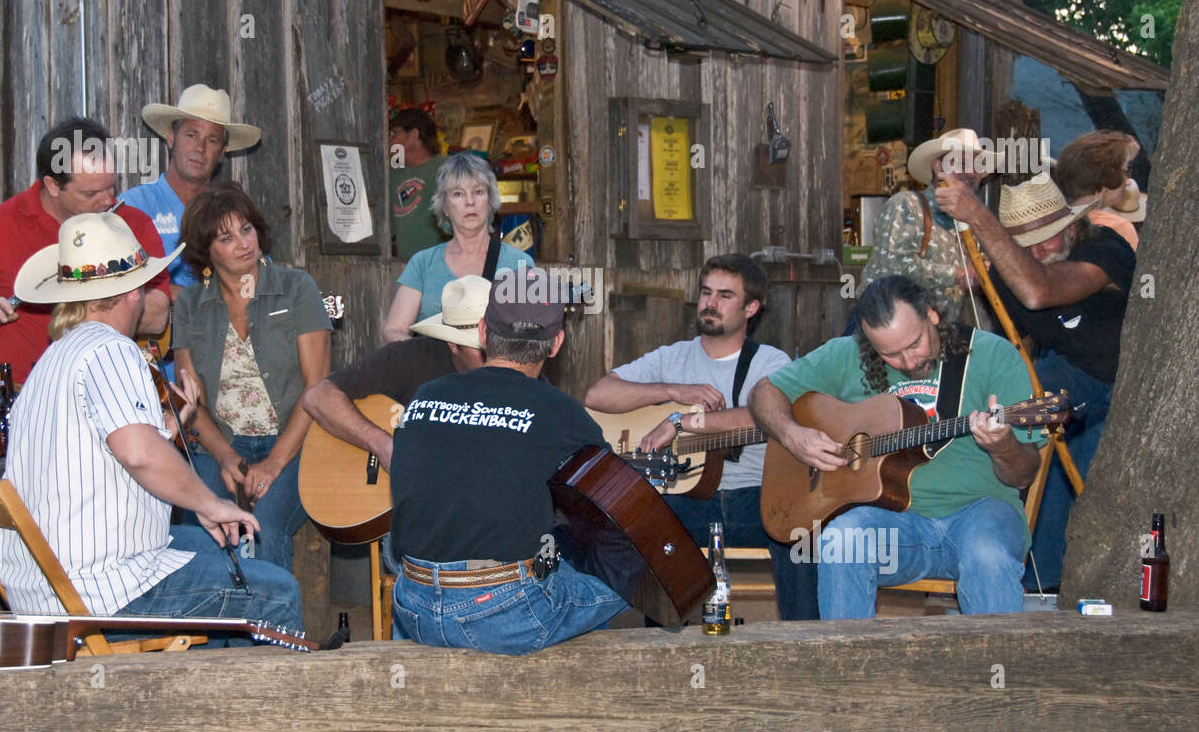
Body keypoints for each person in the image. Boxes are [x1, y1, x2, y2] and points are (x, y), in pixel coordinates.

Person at [0, 211, 302, 635]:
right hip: (100, 590)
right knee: (278, 592)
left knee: (223, 551)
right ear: (133, 293)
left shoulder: (55, 358)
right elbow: (139, 454)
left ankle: (202, 689)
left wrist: (176, 427)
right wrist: (209, 503)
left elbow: (117, 451)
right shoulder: (112, 350)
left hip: (43, 587)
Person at [750, 276, 1040, 618]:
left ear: (932, 314)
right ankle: (847, 667)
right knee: (843, 540)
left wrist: (1002, 446)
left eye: (915, 343)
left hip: (980, 514)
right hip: (895, 522)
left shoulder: (993, 356)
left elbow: (1023, 476)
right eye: (890, 354)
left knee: (987, 554)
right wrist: (792, 435)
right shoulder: (846, 355)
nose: (908, 361)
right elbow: (764, 393)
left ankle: (999, 669)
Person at [389, 270, 628, 654]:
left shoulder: (426, 394)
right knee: (625, 571)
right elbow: (614, 504)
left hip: (411, 602)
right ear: (556, 344)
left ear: (483, 332)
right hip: (500, 612)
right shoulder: (560, 411)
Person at [583, 253, 815, 620]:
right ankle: (661, 641)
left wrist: (681, 421)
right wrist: (676, 389)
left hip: (754, 498)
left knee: (801, 529)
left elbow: (767, 420)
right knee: (640, 519)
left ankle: (804, 642)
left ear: (751, 307)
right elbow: (598, 395)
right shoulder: (674, 357)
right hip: (687, 498)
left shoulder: (770, 363)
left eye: (725, 295)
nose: (710, 302)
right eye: (706, 292)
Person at [938, 170, 1135, 592]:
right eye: (1029, 242)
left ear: (1073, 225)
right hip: (1071, 376)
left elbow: (1038, 293)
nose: (1046, 248)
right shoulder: (1014, 274)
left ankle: (1054, 576)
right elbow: (1018, 342)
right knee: (1020, 428)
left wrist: (975, 213)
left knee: (1083, 470)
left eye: (1054, 234)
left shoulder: (1106, 249)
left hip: (1129, 380)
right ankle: (1033, 579)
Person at [0, 117, 171, 383]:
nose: (107, 201)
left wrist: (73, 301)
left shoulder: (133, 223)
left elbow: (158, 315)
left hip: (112, 386)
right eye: (90, 194)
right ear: (53, 186)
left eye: (111, 187)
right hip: (18, 393)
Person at [172, 182, 332, 573]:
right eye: (226, 237)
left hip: (295, 442)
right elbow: (191, 403)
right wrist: (227, 458)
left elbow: (317, 388)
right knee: (203, 529)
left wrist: (274, 463)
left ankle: (272, 633)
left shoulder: (297, 288)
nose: (244, 243)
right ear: (205, 250)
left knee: (264, 530)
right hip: (221, 443)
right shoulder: (191, 305)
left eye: (247, 229)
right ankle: (216, 634)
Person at [303, 274, 490, 478]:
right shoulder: (412, 357)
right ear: (453, 344)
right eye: (481, 347)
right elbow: (318, 397)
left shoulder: (520, 372)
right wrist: (383, 446)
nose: (494, 354)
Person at [123, 84, 262, 297]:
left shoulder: (234, 212)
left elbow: (261, 279)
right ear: (171, 137)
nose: (200, 147)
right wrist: (194, 298)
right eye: (191, 135)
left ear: (222, 152)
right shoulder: (133, 206)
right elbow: (114, 286)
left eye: (212, 140)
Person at [854, 128, 1000, 328]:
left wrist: (982, 271)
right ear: (938, 166)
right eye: (961, 162)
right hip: (882, 330)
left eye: (976, 165)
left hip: (935, 334)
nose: (970, 172)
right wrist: (958, 275)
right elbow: (895, 266)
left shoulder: (972, 222)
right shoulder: (908, 205)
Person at [382, 152, 533, 341]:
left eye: (478, 192)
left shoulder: (519, 263)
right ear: (444, 206)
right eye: (458, 194)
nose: (470, 202)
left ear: (490, 201)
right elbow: (394, 329)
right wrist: (429, 359)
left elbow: (530, 334)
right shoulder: (423, 263)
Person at [1050, 129, 1142, 251]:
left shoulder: (1050, 222)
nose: (1127, 181)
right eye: (1125, 171)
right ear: (1106, 177)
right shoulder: (1118, 228)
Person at [388, 108, 448, 261]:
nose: (390, 140)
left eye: (394, 134)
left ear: (414, 135)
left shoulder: (447, 169)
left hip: (444, 267)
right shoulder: (394, 176)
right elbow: (388, 228)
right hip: (408, 270)